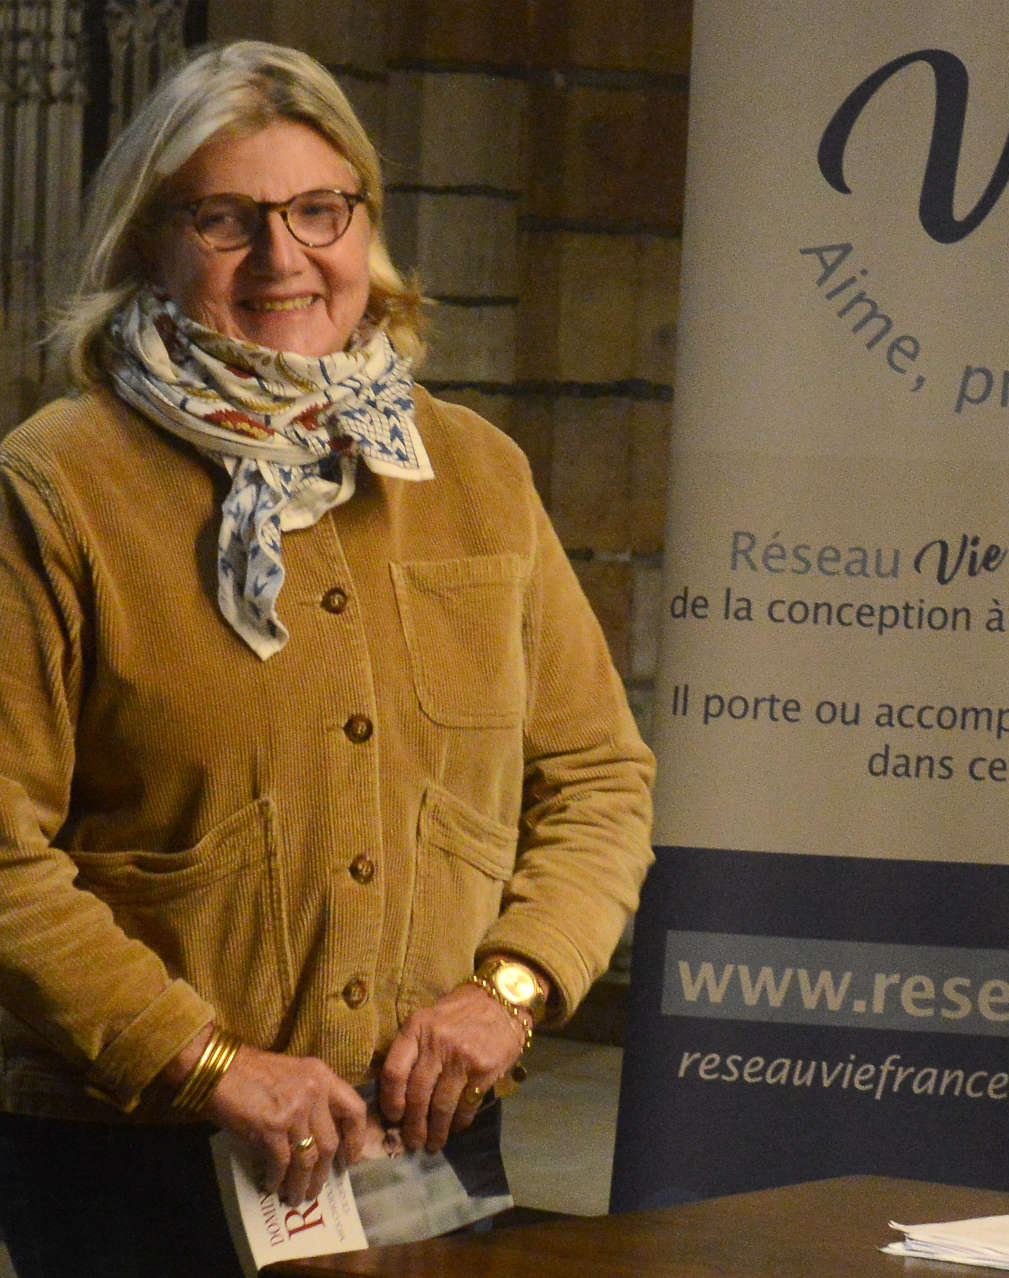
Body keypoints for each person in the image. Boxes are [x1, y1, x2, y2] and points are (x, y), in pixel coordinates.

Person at [0, 41, 654, 1277]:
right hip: (132, 1158)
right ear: (151, 238)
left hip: (426, 1138)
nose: (285, 258)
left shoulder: (473, 472)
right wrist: (211, 1063)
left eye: (318, 211)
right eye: (226, 219)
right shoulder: (56, 486)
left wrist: (504, 998)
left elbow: (599, 781)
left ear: (366, 227)